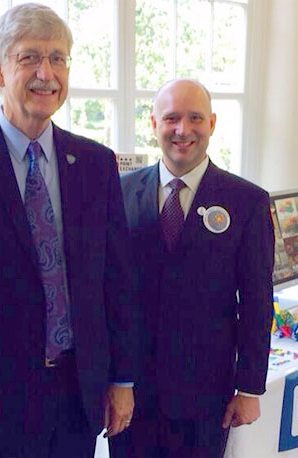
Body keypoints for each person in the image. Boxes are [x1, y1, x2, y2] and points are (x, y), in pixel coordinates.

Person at [0, 3, 137, 457]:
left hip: (79, 394)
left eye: (58, 58)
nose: (46, 73)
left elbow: (117, 279)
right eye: (29, 57)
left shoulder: (96, 163)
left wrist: (121, 379)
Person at [111, 79, 274, 457]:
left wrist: (249, 388)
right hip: (131, 392)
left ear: (212, 123)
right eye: (171, 118)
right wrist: (112, 379)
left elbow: (256, 300)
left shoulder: (247, 201)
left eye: (195, 118)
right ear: (153, 125)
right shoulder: (118, 193)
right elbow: (109, 291)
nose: (183, 130)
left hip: (205, 395)